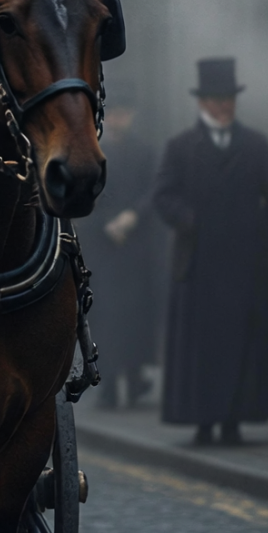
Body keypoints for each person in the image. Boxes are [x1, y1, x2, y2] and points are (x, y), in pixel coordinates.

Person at [151, 55, 268, 447]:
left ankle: (234, 421)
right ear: (201, 103)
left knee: (243, 347)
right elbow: (163, 195)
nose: (223, 106)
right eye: (215, 99)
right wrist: (188, 218)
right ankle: (203, 422)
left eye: (228, 98)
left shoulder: (256, 144)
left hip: (246, 264)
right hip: (199, 265)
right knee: (202, 350)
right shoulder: (179, 147)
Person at [90, 90, 159, 408]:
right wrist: (108, 223)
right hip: (104, 248)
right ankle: (107, 387)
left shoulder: (145, 152)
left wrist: (132, 217)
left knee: (134, 314)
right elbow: (90, 194)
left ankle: (133, 380)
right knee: (104, 316)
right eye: (114, 113)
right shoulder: (95, 151)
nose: (119, 118)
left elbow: (153, 190)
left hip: (134, 247)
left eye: (124, 113)